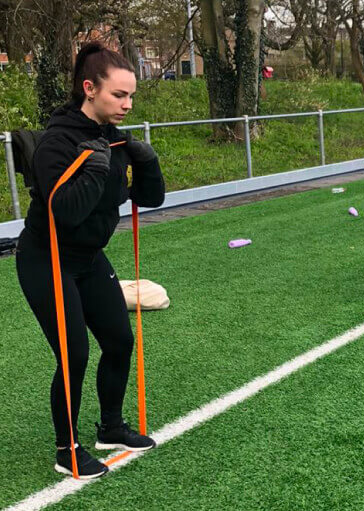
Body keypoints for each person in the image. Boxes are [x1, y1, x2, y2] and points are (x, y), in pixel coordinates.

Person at [15, 42, 164, 479]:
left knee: (119, 340)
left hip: (89, 258)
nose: (127, 104)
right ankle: (67, 450)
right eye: (119, 95)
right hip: (46, 258)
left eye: (131, 95)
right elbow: (67, 212)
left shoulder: (113, 139)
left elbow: (151, 198)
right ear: (90, 89)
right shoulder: (57, 142)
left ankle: (111, 428)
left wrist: (147, 163)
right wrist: (95, 169)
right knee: (74, 354)